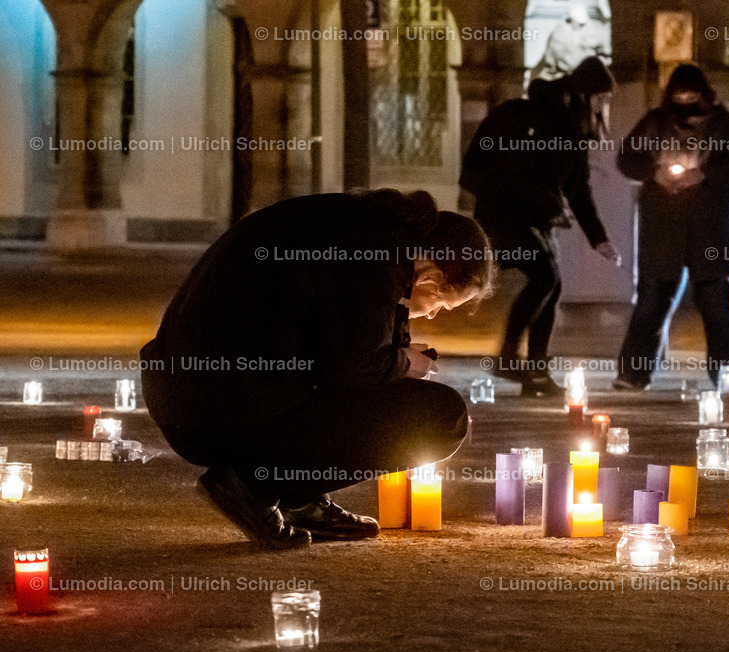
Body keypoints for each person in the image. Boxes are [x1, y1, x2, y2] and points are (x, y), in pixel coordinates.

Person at [141, 190, 495, 549]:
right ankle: (254, 485)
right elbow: (352, 367)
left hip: (190, 404)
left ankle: (298, 498)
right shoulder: (376, 256)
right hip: (221, 414)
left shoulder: (362, 231)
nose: (432, 314)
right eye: (440, 304)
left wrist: (393, 353)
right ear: (431, 277)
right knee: (443, 417)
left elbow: (328, 341)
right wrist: (406, 363)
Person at [461, 56, 622, 397]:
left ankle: (536, 373)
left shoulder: (574, 127)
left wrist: (599, 238)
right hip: (504, 213)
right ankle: (508, 356)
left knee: (552, 284)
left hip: (534, 217)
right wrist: (553, 208)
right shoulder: (544, 118)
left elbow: (577, 190)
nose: (604, 105)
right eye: (601, 97)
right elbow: (519, 173)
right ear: (585, 94)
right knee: (545, 277)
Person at [614, 64, 729, 391]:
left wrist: (703, 174)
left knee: (718, 300)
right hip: (664, 229)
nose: (686, 111)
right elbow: (627, 159)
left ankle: (726, 374)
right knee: (652, 299)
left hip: (713, 229)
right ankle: (634, 373)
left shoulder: (722, 124)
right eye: (680, 101)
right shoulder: (655, 122)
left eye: (693, 101)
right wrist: (655, 171)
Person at [529, 3, 612, 83]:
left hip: (585, 76)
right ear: (571, 20)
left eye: (582, 24)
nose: (580, 26)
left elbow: (605, 54)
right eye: (578, 23)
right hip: (563, 77)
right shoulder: (559, 33)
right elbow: (553, 59)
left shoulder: (595, 30)